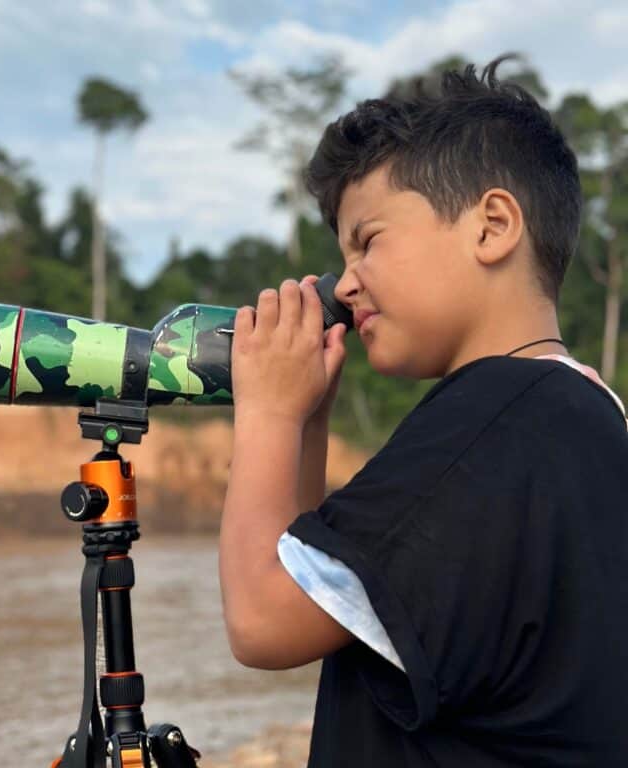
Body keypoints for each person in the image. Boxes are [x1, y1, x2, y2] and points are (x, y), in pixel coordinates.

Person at [219, 55, 628, 767]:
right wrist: (310, 417)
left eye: (367, 241)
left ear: (493, 226)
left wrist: (268, 417)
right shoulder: (582, 413)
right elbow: (318, 587)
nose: (344, 283)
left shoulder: (490, 417)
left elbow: (261, 620)